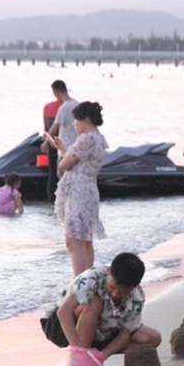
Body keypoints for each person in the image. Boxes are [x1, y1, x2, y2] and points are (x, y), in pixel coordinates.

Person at [40, 252, 161, 358]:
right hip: (60, 327)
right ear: (108, 271)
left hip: (101, 331)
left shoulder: (137, 298)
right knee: (95, 302)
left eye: (122, 292)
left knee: (152, 338)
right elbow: (63, 312)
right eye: (112, 287)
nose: (115, 294)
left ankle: (93, 356)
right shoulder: (90, 279)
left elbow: (125, 333)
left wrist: (103, 355)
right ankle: (83, 359)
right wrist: (79, 351)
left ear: (135, 286)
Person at [52, 101, 108, 276]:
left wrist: (63, 154)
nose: (74, 124)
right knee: (85, 239)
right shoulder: (99, 137)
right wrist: (64, 148)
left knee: (73, 239)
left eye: (76, 121)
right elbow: (80, 160)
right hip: (89, 188)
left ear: (86, 119)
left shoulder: (85, 138)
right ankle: (88, 279)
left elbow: (65, 165)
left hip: (78, 190)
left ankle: (78, 282)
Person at [47, 80, 80, 159]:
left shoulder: (64, 108)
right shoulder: (77, 104)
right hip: (76, 149)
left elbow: (55, 127)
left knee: (62, 170)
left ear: (56, 92)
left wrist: (45, 142)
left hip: (65, 149)